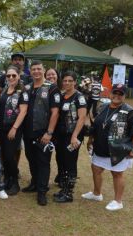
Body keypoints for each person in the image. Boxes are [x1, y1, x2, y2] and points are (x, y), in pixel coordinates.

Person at [82, 84, 133, 211]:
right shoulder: (103, 107)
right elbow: (96, 125)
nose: (117, 96)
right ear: (110, 93)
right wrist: (90, 140)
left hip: (118, 150)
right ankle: (97, 194)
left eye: (121, 94)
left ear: (125, 96)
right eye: (115, 93)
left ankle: (118, 201)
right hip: (100, 147)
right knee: (96, 169)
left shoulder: (130, 112)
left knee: (117, 174)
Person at [22, 60, 61, 206]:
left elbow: (55, 112)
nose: (36, 72)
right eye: (33, 69)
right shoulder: (27, 87)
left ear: (43, 70)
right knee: (31, 159)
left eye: (39, 69)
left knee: (43, 162)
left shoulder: (52, 88)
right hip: (28, 131)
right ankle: (35, 183)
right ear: (30, 72)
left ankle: (42, 191)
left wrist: (49, 132)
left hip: (44, 132)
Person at [53, 71, 87, 203]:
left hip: (73, 135)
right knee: (61, 159)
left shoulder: (79, 97)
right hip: (61, 135)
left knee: (70, 162)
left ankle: (69, 193)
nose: (67, 83)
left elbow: (82, 117)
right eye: (65, 81)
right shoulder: (62, 96)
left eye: (70, 81)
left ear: (75, 82)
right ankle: (63, 188)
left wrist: (74, 136)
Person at [0, 65, 28, 195]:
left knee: (10, 156)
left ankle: (14, 182)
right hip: (2, 128)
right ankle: (7, 179)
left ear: (18, 76)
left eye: (13, 75)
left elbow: (23, 111)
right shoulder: (5, 89)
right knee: (4, 156)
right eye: (8, 75)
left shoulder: (22, 91)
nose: (11, 77)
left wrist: (14, 128)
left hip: (13, 128)